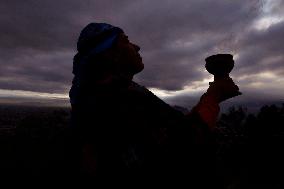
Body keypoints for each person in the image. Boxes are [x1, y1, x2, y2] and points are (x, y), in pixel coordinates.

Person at [69, 23, 240, 187]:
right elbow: (188, 141)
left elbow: (176, 127)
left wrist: (211, 97)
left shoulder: (106, 95)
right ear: (109, 54)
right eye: (126, 41)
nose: (137, 46)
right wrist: (213, 96)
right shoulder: (115, 101)